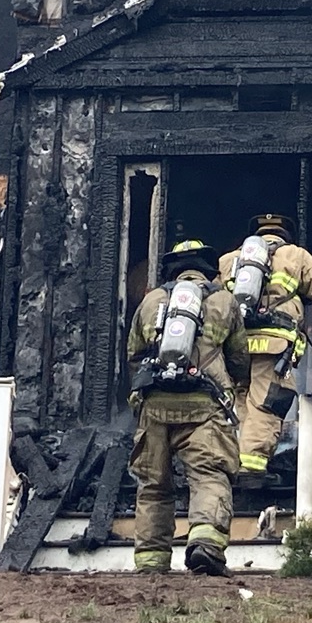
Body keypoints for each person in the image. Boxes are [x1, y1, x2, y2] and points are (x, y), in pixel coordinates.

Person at [126, 239, 248, 574]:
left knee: (153, 485)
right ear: (208, 270)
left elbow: (134, 355)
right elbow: (239, 357)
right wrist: (235, 387)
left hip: (154, 407)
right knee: (209, 475)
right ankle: (205, 547)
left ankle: (151, 561)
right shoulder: (224, 301)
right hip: (204, 407)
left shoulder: (151, 301)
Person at [218, 212, 312, 480]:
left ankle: (230, 462)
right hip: (274, 344)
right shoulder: (296, 256)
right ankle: (252, 469)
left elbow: (213, 306)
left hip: (235, 346)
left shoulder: (228, 260)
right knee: (267, 402)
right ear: (285, 234)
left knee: (240, 399)